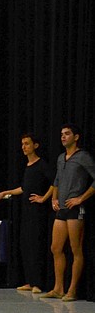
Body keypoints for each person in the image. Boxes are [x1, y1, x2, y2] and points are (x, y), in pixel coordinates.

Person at [42, 124, 95, 301]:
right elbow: (57, 180)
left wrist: (81, 198)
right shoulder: (60, 158)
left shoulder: (83, 157)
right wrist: (53, 199)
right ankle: (58, 288)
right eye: (62, 134)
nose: (63, 137)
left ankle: (72, 290)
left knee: (75, 249)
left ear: (76, 137)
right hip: (62, 208)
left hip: (75, 208)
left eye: (67, 134)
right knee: (56, 247)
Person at [0, 133, 54, 293]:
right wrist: (6, 191)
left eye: (27, 144)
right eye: (22, 144)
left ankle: (38, 283)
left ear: (35, 145)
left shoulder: (42, 164)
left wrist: (44, 198)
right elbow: (23, 188)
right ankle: (29, 280)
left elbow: (54, 182)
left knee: (36, 246)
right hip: (26, 211)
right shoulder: (27, 166)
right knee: (26, 245)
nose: (24, 147)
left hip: (37, 212)